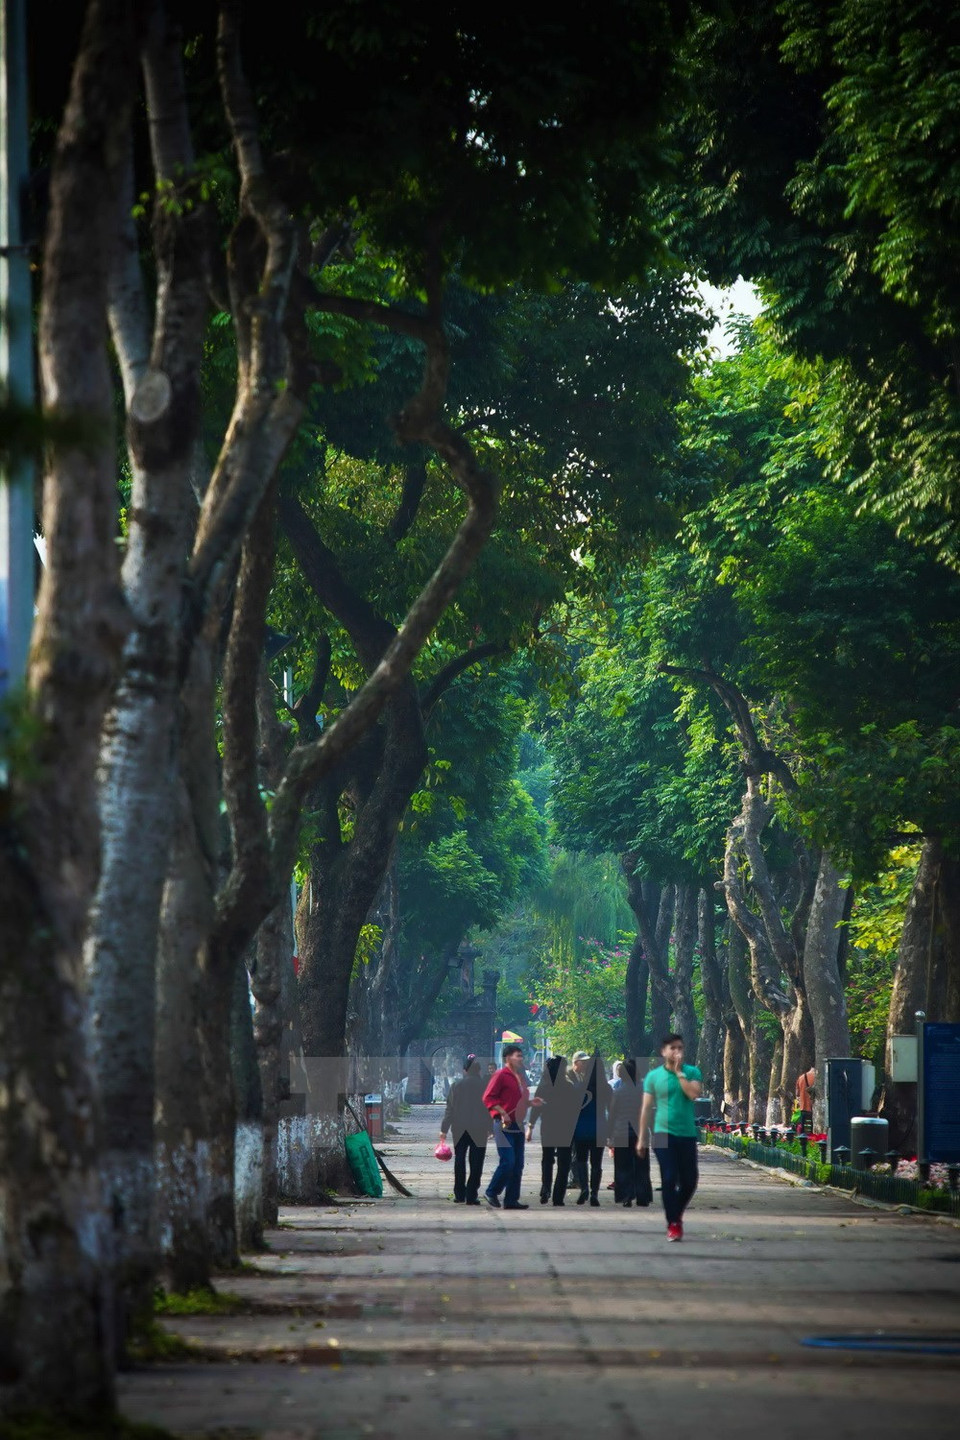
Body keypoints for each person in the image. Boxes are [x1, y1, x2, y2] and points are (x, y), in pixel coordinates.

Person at [638, 1033, 703, 1241]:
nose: (677, 1052)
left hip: (687, 1133)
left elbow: (693, 1094)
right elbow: (646, 1108)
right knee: (669, 1177)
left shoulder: (692, 1072)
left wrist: (679, 1074)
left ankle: (677, 1212)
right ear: (663, 1051)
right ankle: (673, 1223)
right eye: (673, 1048)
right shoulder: (654, 1076)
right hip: (662, 1133)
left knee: (689, 1181)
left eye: (680, 1048)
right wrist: (641, 1138)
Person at [482, 1044, 541, 1209]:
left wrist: (530, 1103)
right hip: (503, 1125)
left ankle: (511, 1199)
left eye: (522, 1056)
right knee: (508, 1161)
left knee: (518, 1164)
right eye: (518, 1056)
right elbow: (488, 1098)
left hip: (518, 1125)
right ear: (508, 1058)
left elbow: (517, 1101)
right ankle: (491, 1191)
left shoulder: (520, 1077)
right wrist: (502, 1112)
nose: (521, 1058)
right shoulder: (500, 1075)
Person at [526, 1055, 579, 1205]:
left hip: (548, 1128)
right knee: (564, 1162)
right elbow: (575, 1110)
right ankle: (558, 1196)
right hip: (565, 1129)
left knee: (547, 1159)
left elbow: (536, 1109)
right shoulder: (568, 1087)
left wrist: (530, 1126)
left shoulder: (543, 1087)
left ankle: (545, 1188)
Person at [439, 1054, 491, 1205]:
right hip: (479, 1128)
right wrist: (490, 1128)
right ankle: (471, 1195)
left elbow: (450, 1109)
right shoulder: (484, 1086)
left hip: (459, 1128)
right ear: (479, 1071)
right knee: (477, 1162)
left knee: (460, 1159)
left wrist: (444, 1129)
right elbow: (489, 1108)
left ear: (465, 1070)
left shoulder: (456, 1086)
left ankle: (459, 1194)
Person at [608, 1059, 652, 1207]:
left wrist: (609, 1135)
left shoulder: (618, 1092)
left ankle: (626, 1196)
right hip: (640, 1134)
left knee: (622, 1166)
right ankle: (643, 1197)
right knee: (642, 1167)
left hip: (621, 1133)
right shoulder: (644, 1090)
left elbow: (612, 1115)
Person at [570, 1050, 610, 1206]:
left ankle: (584, 1189)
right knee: (596, 1163)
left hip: (581, 1129)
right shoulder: (606, 1088)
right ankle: (594, 1193)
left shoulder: (578, 1087)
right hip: (599, 1129)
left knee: (581, 1160)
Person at [796, 1064, 816, 1134]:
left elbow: (797, 1093)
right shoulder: (818, 1078)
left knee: (803, 1128)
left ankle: (802, 1138)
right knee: (812, 1130)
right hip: (813, 1108)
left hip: (803, 1107)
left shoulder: (801, 1077)